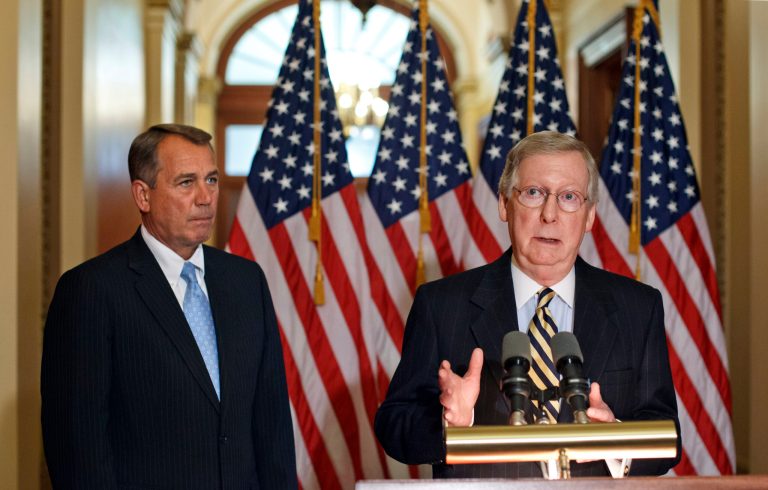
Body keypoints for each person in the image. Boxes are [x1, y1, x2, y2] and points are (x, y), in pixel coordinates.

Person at [374, 131, 680, 478]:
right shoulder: (442, 305)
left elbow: (668, 435)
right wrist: (452, 422)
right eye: (534, 193)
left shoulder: (638, 308)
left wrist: (615, 438)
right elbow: (394, 424)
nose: (550, 214)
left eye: (568, 197)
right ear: (505, 203)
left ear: (590, 215)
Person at [41, 124, 297, 489]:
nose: (206, 197)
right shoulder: (91, 291)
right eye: (186, 183)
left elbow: (272, 426)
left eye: (211, 179)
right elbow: (79, 449)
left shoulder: (246, 281)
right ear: (143, 195)